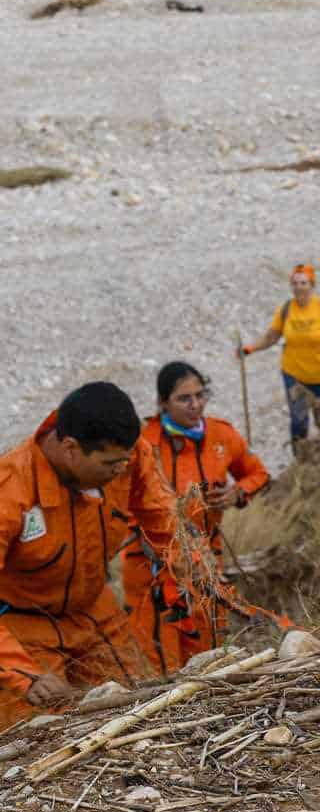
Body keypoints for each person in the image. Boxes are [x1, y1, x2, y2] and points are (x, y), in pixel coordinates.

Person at [0, 382, 170, 732]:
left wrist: (188, 572)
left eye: (125, 461)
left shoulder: (127, 453)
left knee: (144, 713)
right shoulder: (6, 491)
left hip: (96, 613)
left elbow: (164, 519)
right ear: (70, 448)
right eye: (110, 464)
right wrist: (21, 673)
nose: (120, 471)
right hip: (23, 629)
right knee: (41, 744)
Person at [122, 362, 273, 672]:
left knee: (209, 649)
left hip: (205, 558)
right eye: (184, 399)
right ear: (163, 402)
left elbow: (257, 473)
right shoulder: (143, 443)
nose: (196, 405)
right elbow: (120, 502)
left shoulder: (221, 435)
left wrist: (238, 492)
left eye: (200, 395)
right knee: (159, 656)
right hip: (150, 563)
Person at [240, 264, 320, 457]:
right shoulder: (286, 310)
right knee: (298, 420)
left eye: (303, 283)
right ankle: (300, 463)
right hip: (294, 376)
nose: (299, 287)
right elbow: (272, 337)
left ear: (312, 285)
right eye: (295, 283)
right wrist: (249, 349)